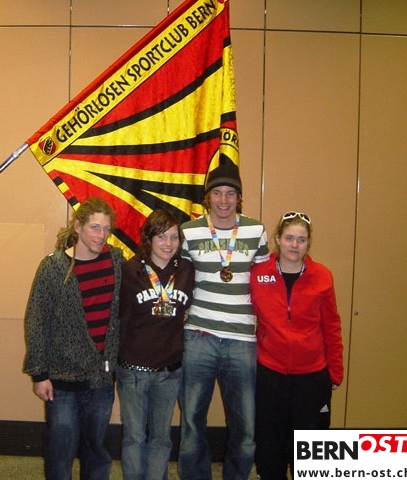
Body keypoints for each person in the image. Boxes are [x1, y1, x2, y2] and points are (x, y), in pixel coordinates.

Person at [178, 154, 269, 480]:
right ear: (208, 197)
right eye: (217, 193)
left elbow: (266, 283)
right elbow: (180, 279)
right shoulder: (188, 232)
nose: (224, 200)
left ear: (239, 197)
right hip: (198, 336)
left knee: (245, 428)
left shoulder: (257, 230)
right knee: (191, 424)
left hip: (242, 340)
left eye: (231, 193)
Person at [23, 197, 125, 480]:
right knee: (61, 450)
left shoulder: (116, 261)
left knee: (97, 450)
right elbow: (36, 321)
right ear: (78, 226)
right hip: (62, 380)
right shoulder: (53, 267)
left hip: (101, 379)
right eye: (95, 227)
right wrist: (39, 374)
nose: (101, 235)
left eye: (106, 229)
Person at [250, 211, 344, 480]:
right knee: (270, 445)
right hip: (270, 374)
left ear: (308, 243)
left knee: (309, 448)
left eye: (301, 240)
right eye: (289, 238)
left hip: (312, 376)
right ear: (278, 239)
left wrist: (335, 372)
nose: (294, 245)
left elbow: (331, 326)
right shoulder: (258, 274)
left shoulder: (322, 276)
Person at [117, 209, 194, 480]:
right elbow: (118, 316)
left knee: (161, 438)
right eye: (161, 236)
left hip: (169, 370)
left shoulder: (186, 270)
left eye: (174, 237)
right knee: (134, 437)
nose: (168, 243)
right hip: (133, 370)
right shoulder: (130, 270)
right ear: (148, 239)